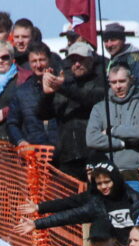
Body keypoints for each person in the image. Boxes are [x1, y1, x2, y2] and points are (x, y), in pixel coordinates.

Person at [14, 160, 139, 244]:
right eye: (99, 183)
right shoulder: (96, 203)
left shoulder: (135, 199)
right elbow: (69, 213)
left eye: (107, 182)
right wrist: (38, 220)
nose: (104, 187)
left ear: (116, 179)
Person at [36, 41, 107, 181]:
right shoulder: (64, 83)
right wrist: (47, 95)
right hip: (67, 156)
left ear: (91, 60)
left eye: (81, 60)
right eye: (73, 61)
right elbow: (43, 114)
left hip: (93, 153)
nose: (77, 64)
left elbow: (90, 99)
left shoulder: (100, 81)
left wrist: (62, 88)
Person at [86, 64, 139, 196]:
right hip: (106, 178)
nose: (118, 86)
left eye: (122, 81)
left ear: (131, 80)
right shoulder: (99, 108)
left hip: (135, 176)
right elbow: (91, 139)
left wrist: (111, 131)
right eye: (113, 82)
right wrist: (123, 143)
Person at [7, 42, 57, 148]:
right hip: (34, 151)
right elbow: (12, 123)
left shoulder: (61, 87)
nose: (38, 65)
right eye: (34, 61)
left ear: (49, 60)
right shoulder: (21, 92)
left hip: (61, 151)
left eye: (42, 60)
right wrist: (20, 141)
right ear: (29, 63)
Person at [100, 22, 139, 98]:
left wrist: (133, 102)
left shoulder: (134, 58)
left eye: (113, 40)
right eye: (106, 41)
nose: (109, 44)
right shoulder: (112, 60)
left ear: (123, 40)